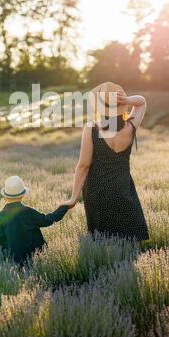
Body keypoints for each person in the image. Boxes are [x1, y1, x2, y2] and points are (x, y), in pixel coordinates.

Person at [59, 81, 149, 242]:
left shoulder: (92, 128)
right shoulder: (130, 126)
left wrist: (73, 198)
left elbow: (83, 165)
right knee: (127, 239)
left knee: (102, 240)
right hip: (123, 187)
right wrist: (126, 100)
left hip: (97, 191)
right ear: (120, 105)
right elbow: (142, 102)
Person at [0, 175, 68, 265]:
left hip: (13, 262)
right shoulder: (29, 212)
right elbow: (47, 220)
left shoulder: (0, 217)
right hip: (36, 259)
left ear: (5, 197)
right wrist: (64, 207)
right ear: (22, 195)